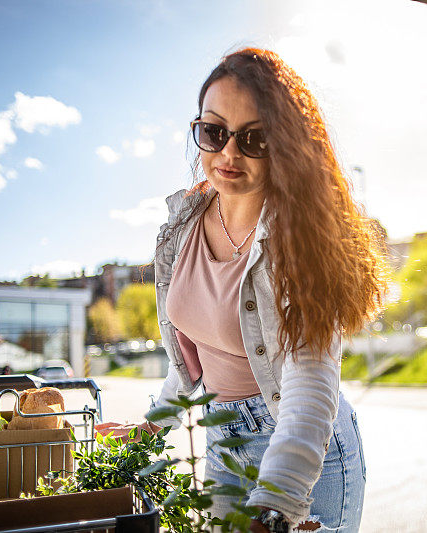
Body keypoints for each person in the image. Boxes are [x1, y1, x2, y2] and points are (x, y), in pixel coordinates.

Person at [98, 47, 388, 532]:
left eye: (254, 139)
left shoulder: (299, 239)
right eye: (214, 133)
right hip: (223, 445)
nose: (228, 154)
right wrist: (148, 430)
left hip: (300, 458)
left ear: (286, 145)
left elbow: (311, 387)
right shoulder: (181, 226)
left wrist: (276, 504)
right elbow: (194, 361)